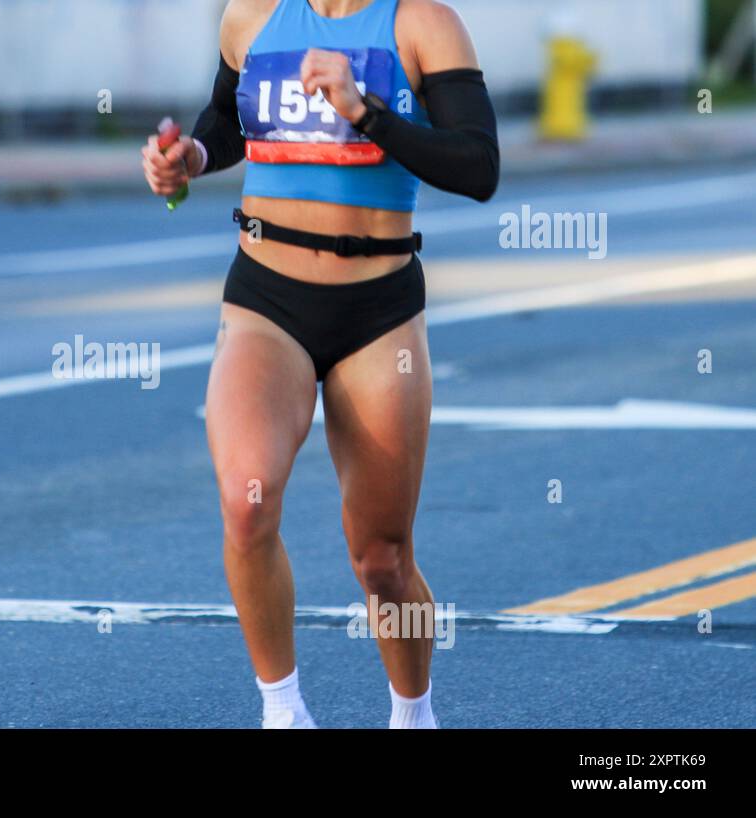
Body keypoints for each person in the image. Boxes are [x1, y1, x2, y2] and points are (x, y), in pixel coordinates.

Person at [141, 0, 498, 728]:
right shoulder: (251, 16)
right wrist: (190, 161)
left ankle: (413, 713)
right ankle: (283, 710)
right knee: (246, 503)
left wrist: (367, 113)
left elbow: (479, 166)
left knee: (382, 558)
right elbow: (227, 122)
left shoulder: (422, 24)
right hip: (265, 300)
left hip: (380, 309)